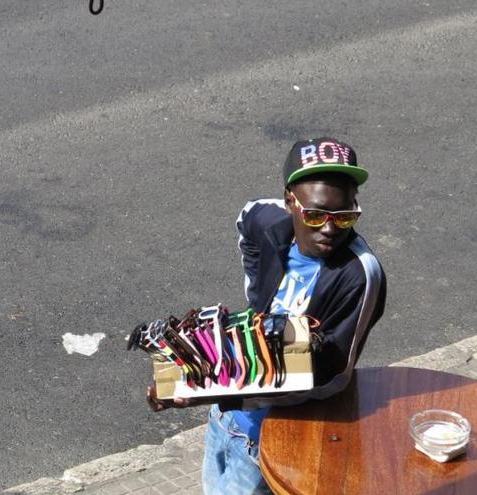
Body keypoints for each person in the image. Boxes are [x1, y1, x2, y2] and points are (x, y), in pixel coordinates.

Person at [147, 137, 387, 494]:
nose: (329, 229)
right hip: (225, 417)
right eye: (315, 215)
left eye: (345, 217)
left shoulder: (359, 276)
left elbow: (331, 377)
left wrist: (209, 389)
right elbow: (247, 223)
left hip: (271, 439)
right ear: (290, 201)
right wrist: (257, 297)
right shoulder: (267, 219)